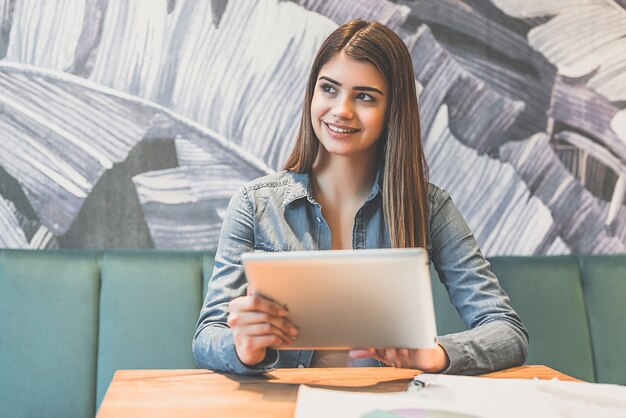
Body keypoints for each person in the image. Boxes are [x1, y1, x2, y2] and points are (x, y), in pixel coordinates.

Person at [192, 19, 528, 375]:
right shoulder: (254, 204)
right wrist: (243, 347)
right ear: (312, 92)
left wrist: (436, 354)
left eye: (365, 96)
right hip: (286, 405)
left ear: (392, 110)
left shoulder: (430, 208)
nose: (342, 110)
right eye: (329, 89)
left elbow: (507, 330)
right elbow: (207, 336)